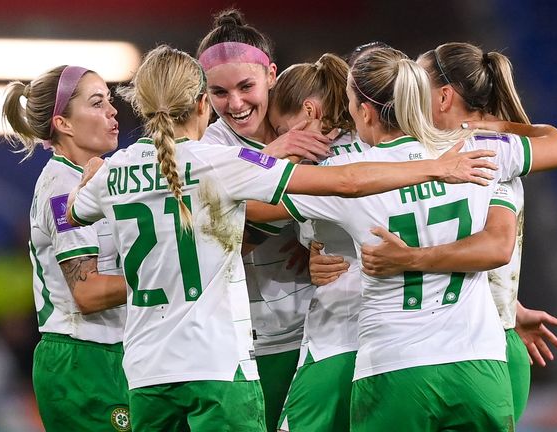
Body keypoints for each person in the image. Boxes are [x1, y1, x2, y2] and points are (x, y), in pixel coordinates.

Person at [66, 44, 497, 432]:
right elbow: (346, 181)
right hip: (216, 363)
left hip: (145, 369)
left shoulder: (115, 171)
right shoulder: (220, 161)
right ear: (202, 103)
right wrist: (437, 168)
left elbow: (73, 211)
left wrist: (88, 178)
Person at [246, 46, 557, 431]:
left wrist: (277, 153)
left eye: (352, 103)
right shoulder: (475, 150)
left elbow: (253, 207)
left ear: (366, 111)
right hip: (479, 363)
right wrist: (494, 126)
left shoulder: (345, 176)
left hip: (395, 366)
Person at [354, 42, 557, 422]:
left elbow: (494, 246)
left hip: (484, 345)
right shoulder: (425, 156)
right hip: (476, 336)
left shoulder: (483, 152)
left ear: (443, 96)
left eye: (418, 83)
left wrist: (408, 259)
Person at [195, 9, 340, 428]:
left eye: (246, 86)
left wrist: (313, 235)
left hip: (319, 331)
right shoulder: (208, 145)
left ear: (271, 75)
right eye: (219, 92)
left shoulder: (303, 114)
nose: (236, 104)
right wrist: (298, 210)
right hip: (248, 342)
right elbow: (223, 240)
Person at [1, 65, 131, 432]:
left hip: (110, 352)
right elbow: (87, 293)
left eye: (109, 100)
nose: (112, 111)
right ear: (64, 123)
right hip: (82, 359)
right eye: (97, 102)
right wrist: (162, 276)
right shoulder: (63, 188)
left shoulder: (96, 179)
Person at [265, 52, 366, 432]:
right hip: (400, 343)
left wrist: (265, 161)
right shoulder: (386, 151)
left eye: (280, 129)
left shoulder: (315, 169)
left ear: (308, 111)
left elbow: (242, 210)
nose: (281, 139)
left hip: (336, 338)